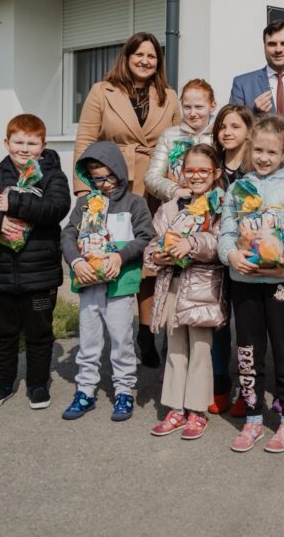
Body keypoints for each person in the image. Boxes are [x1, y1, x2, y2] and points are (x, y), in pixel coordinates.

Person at [73, 32, 181, 369]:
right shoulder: (102, 91)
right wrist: (83, 191)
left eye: (152, 56)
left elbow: (178, 146)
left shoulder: (169, 96)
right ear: (127, 57)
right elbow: (85, 140)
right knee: (111, 254)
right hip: (111, 188)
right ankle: (107, 333)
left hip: (154, 188)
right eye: (140, 55)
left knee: (149, 261)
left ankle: (145, 334)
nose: (146, 61)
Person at [0, 113, 71, 410]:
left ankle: (37, 384)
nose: (24, 149)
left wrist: (16, 202)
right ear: (6, 143)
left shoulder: (53, 178)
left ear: (43, 145)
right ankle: (3, 384)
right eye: (18, 142)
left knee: (39, 331)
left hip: (40, 274)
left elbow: (56, 208)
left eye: (32, 143)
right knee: (3, 331)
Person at [219, 116, 284, 453]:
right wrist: (231, 256)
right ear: (249, 148)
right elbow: (226, 233)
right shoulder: (237, 188)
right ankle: (253, 418)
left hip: (282, 284)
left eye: (272, 152)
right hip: (245, 283)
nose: (263, 158)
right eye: (258, 150)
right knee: (248, 353)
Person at [60, 141, 153, 422]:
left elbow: (146, 236)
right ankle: (85, 390)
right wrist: (76, 261)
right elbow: (68, 235)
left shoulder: (135, 203)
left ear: (120, 171)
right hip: (89, 283)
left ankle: (124, 390)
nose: (105, 184)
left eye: (110, 176)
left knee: (121, 339)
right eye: (97, 179)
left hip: (120, 285)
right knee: (88, 339)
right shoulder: (84, 204)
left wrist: (120, 256)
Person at [144, 144, 227, 441]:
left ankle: (197, 410)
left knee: (201, 349)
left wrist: (192, 244)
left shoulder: (221, 205)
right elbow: (153, 242)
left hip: (203, 288)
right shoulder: (170, 208)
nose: (196, 176)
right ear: (181, 173)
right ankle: (176, 408)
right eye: (190, 170)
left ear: (215, 173)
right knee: (175, 348)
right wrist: (156, 256)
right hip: (172, 286)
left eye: (204, 170)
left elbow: (221, 242)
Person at [208, 103, 254, 415]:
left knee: (247, 326)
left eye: (235, 126)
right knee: (218, 323)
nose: (227, 132)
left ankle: (247, 387)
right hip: (211, 255)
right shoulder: (210, 165)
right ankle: (219, 383)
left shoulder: (256, 166)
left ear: (249, 131)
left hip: (246, 255)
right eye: (223, 126)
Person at [144, 78, 217, 203]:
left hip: (213, 205)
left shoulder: (219, 135)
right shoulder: (169, 135)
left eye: (199, 107)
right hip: (177, 205)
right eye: (187, 107)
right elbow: (152, 177)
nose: (192, 113)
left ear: (212, 106)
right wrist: (174, 191)